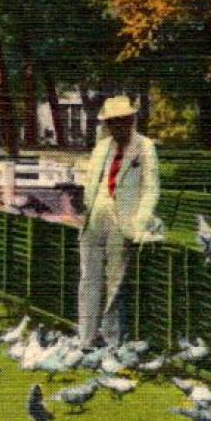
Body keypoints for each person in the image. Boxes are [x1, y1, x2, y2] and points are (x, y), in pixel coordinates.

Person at [77, 95, 160, 347]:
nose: (117, 127)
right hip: (94, 218)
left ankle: (113, 342)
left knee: (115, 283)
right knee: (88, 279)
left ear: (131, 120)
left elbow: (151, 189)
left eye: (122, 121)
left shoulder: (144, 147)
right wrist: (86, 212)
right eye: (112, 122)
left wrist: (139, 222)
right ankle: (86, 339)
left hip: (122, 221)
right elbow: (92, 182)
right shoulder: (102, 147)